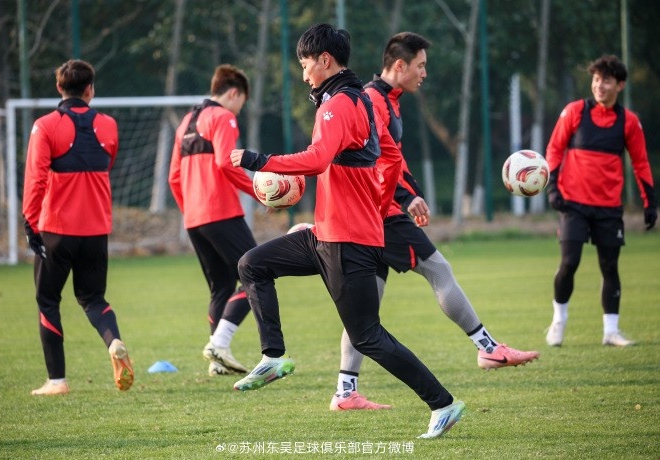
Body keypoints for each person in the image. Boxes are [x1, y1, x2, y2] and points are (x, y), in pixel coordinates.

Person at [230, 23, 465, 439]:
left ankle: (443, 404)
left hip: (346, 240)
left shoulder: (337, 105)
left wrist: (257, 160)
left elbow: (318, 159)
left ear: (325, 60)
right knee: (252, 264)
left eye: (306, 64)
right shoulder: (364, 101)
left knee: (368, 336)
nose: (304, 73)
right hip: (330, 233)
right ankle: (273, 356)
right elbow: (391, 157)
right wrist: (376, 207)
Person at [327, 32, 541, 411]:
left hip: (374, 215)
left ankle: (345, 391)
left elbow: (392, 159)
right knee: (439, 270)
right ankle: (488, 348)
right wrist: (406, 198)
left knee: (365, 310)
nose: (424, 73)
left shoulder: (389, 101)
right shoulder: (373, 100)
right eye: (421, 65)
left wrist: (412, 192)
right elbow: (376, 163)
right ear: (399, 65)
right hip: (382, 214)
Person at [23, 59, 133, 395]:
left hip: (56, 230)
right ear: (90, 89)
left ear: (59, 87)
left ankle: (57, 381)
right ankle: (114, 342)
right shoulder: (109, 125)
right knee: (93, 298)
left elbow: (36, 179)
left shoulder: (45, 126)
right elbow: (107, 164)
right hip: (96, 230)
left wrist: (30, 223)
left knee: (48, 300)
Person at [545, 54, 657, 347]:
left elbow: (641, 163)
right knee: (569, 262)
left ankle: (611, 331)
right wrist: (553, 189)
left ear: (620, 85)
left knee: (610, 266)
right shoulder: (575, 111)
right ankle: (558, 321)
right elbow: (554, 150)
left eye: (606, 81)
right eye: (596, 80)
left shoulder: (629, 121)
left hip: (608, 207)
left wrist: (650, 203)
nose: (599, 86)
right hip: (572, 204)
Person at [169, 64, 262, 376]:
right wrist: (258, 191)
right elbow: (225, 162)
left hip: (194, 218)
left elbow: (173, 178)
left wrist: (191, 211)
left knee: (221, 286)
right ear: (234, 93)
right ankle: (218, 344)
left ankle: (217, 362)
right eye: (242, 102)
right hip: (221, 211)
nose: (239, 110)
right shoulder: (223, 117)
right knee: (257, 274)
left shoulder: (186, 122)